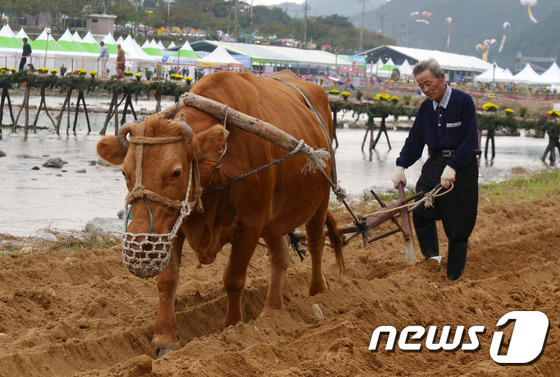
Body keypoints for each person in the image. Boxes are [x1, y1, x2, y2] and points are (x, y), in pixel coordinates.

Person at [391, 58, 479, 281]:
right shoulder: (425, 110)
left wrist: (454, 166)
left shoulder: (463, 102)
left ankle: (453, 277)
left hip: (462, 166)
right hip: (434, 164)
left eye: (428, 83)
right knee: (420, 210)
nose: (425, 90)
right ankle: (433, 264)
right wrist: (401, 165)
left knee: (458, 226)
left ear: (441, 78)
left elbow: (469, 141)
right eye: (420, 86)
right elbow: (415, 141)